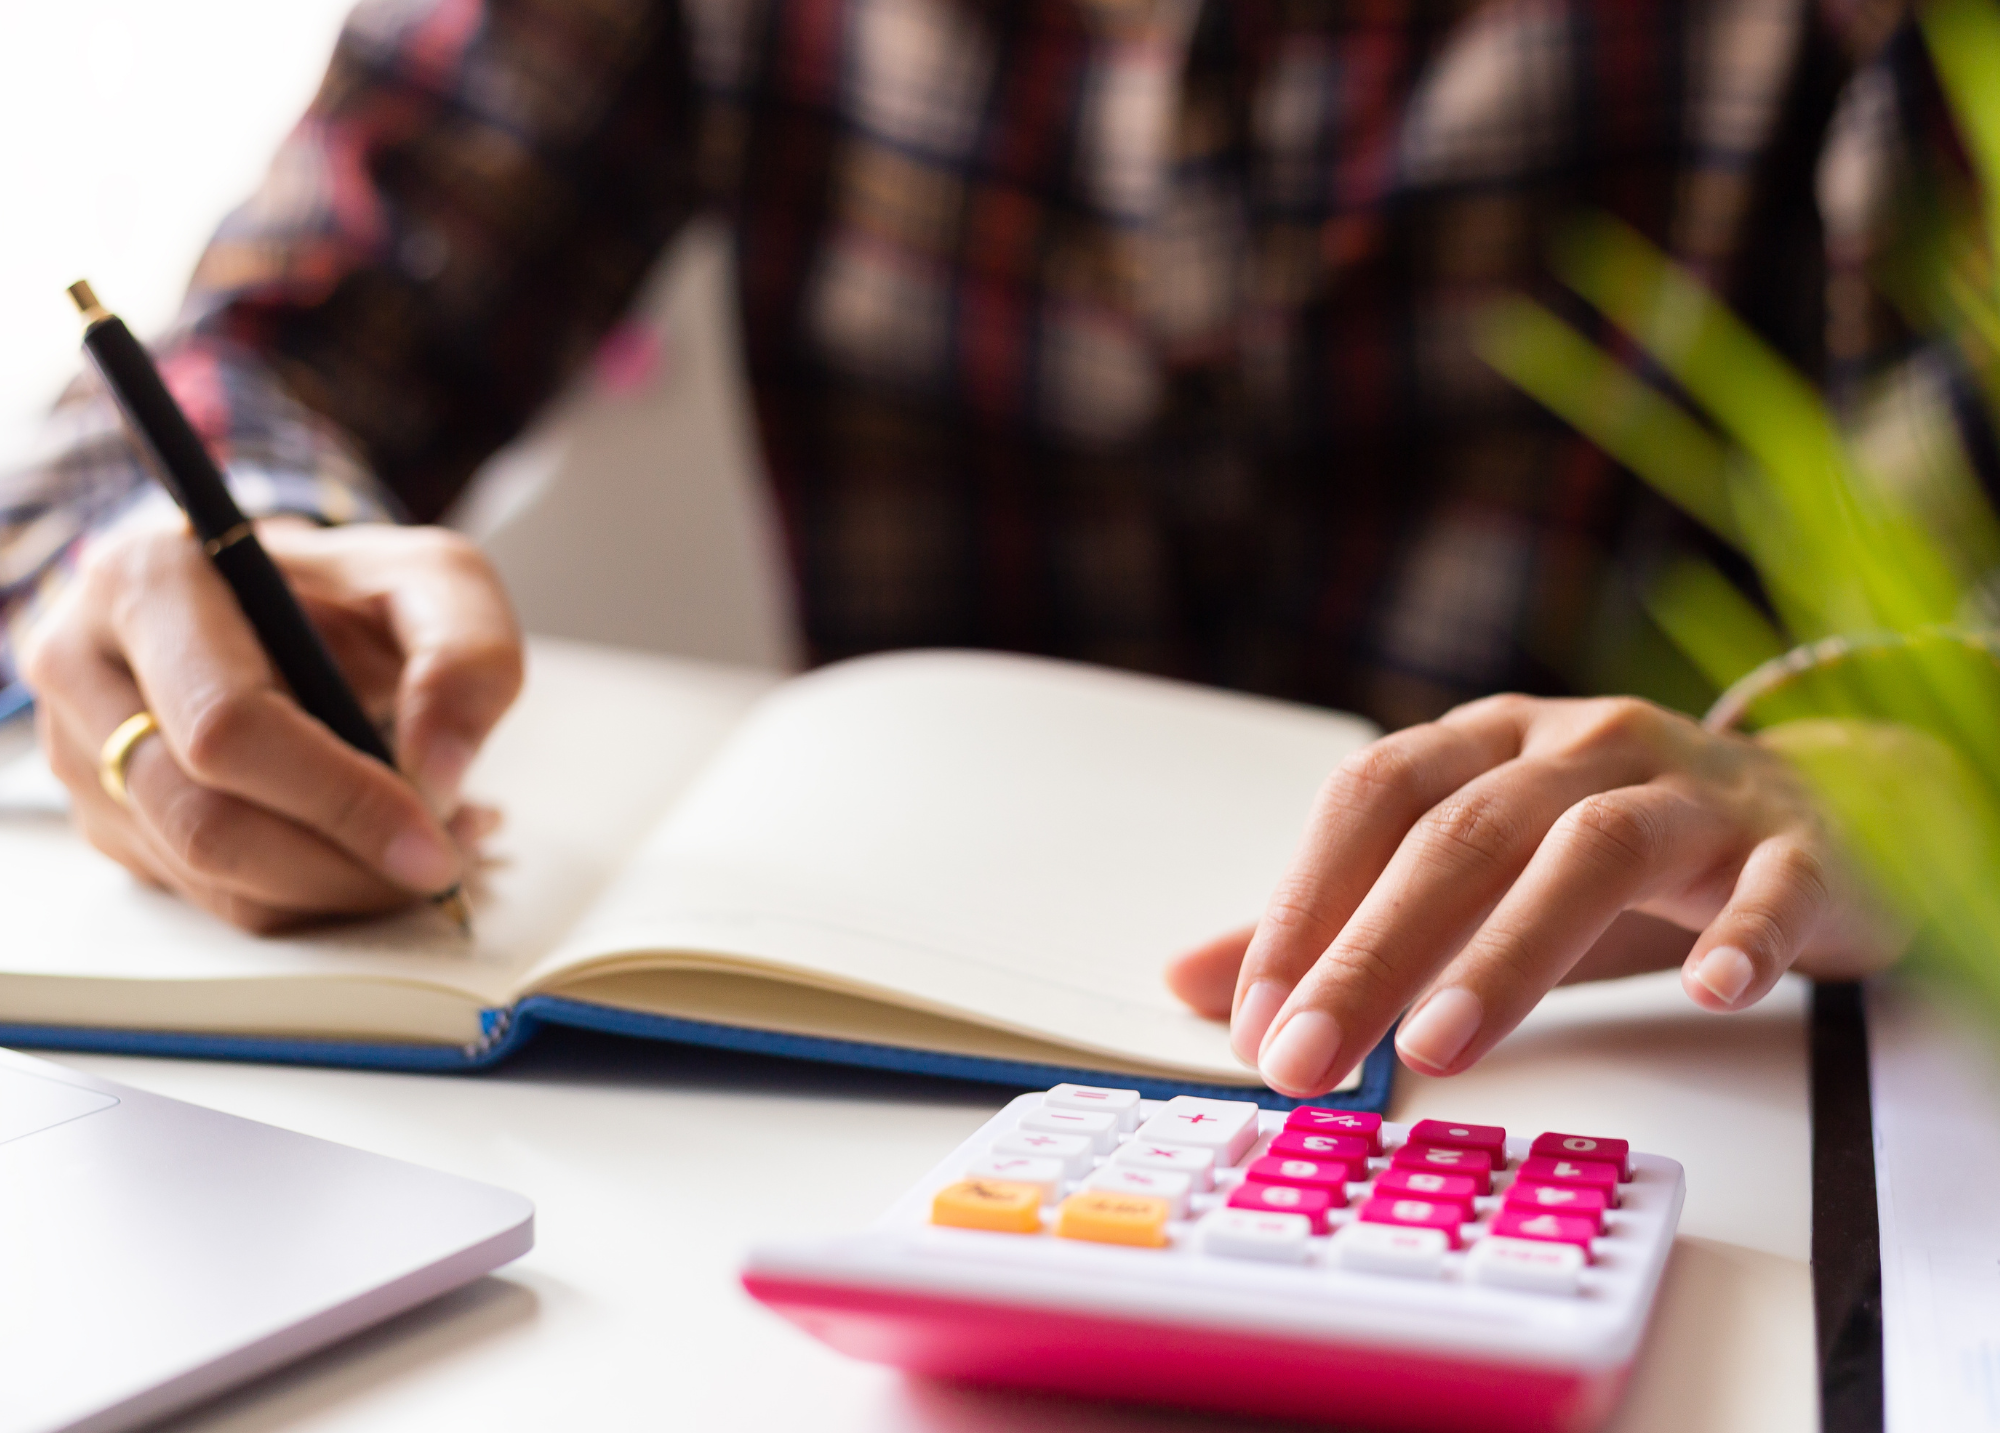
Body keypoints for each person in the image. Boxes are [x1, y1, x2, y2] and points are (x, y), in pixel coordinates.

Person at [0, 0, 1928, 1097]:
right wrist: (164, 563)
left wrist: (1875, 777)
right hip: (843, 1103)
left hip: (1635, 1089)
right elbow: (248, 355)